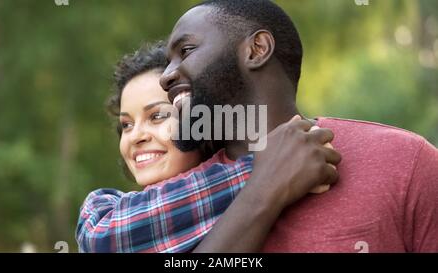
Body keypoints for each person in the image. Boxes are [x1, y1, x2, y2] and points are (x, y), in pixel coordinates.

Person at [157, 0, 438, 252]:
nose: (165, 77)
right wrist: (264, 189)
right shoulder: (173, 203)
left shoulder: (404, 161)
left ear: (257, 49)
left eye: (186, 50)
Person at [76, 42, 340, 252]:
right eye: (126, 124)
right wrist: (271, 168)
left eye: (157, 116)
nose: (136, 136)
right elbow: (103, 239)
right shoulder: (102, 211)